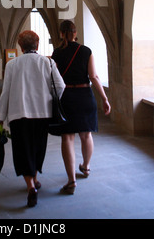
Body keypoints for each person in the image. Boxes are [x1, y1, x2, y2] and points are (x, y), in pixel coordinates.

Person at [0, 30, 65, 207]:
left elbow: (6, 93)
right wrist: (48, 98)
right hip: (42, 114)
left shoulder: (13, 65)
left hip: (19, 115)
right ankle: (34, 179)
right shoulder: (48, 62)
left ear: (20, 46)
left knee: (23, 150)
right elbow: (60, 85)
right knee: (38, 147)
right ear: (38, 44)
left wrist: (0, 117)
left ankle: (31, 186)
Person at [51, 20, 111, 195]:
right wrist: (105, 98)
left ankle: (71, 180)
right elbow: (93, 76)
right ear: (75, 33)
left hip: (66, 97)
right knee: (86, 134)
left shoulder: (57, 53)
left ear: (62, 33)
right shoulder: (86, 51)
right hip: (85, 96)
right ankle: (86, 167)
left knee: (67, 138)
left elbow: (53, 79)